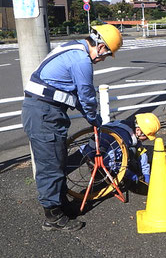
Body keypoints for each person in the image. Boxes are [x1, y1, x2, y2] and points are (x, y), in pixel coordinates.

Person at [21, 24, 123, 232]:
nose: (102, 60)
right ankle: (53, 216)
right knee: (50, 165)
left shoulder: (73, 47)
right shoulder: (81, 60)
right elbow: (85, 95)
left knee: (57, 161)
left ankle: (61, 205)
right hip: (44, 114)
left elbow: (72, 93)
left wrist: (88, 116)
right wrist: (93, 118)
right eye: (106, 55)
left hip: (45, 111)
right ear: (101, 46)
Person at [75, 113, 161, 186]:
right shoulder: (124, 137)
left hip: (93, 147)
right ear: (138, 130)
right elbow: (109, 160)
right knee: (130, 151)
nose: (146, 139)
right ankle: (102, 173)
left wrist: (146, 173)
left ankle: (102, 173)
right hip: (95, 155)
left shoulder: (128, 126)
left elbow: (141, 153)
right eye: (146, 136)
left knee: (134, 149)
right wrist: (127, 173)